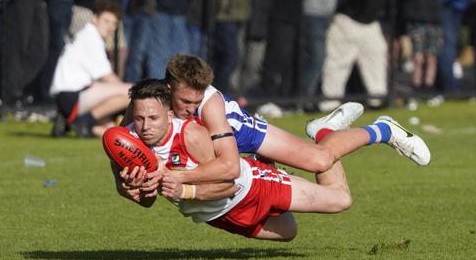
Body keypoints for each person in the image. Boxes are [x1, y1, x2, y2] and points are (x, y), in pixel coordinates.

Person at [113, 79, 431, 240]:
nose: (143, 125)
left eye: (152, 117)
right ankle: (304, 145)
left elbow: (228, 178)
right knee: (288, 232)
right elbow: (145, 196)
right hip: (215, 210)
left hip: (241, 163)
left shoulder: (196, 127)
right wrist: (131, 188)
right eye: (138, 118)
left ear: (169, 111)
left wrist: (181, 185)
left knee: (333, 185)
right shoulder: (126, 137)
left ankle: (378, 130)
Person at [120, 54, 430, 189]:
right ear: (170, 86)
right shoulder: (152, 96)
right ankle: (324, 129)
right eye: (186, 101)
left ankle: (384, 130)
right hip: (232, 147)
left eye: (196, 101)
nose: (191, 107)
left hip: (247, 135)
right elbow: (123, 132)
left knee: (321, 160)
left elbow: (222, 161)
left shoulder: (209, 106)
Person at [50, 0, 132, 138]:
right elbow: (107, 77)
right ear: (95, 19)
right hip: (73, 96)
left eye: (114, 23)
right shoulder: (90, 37)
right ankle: (81, 121)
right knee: (132, 92)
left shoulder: (88, 36)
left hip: (71, 96)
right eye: (106, 21)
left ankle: (71, 123)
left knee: (112, 132)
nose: (111, 27)